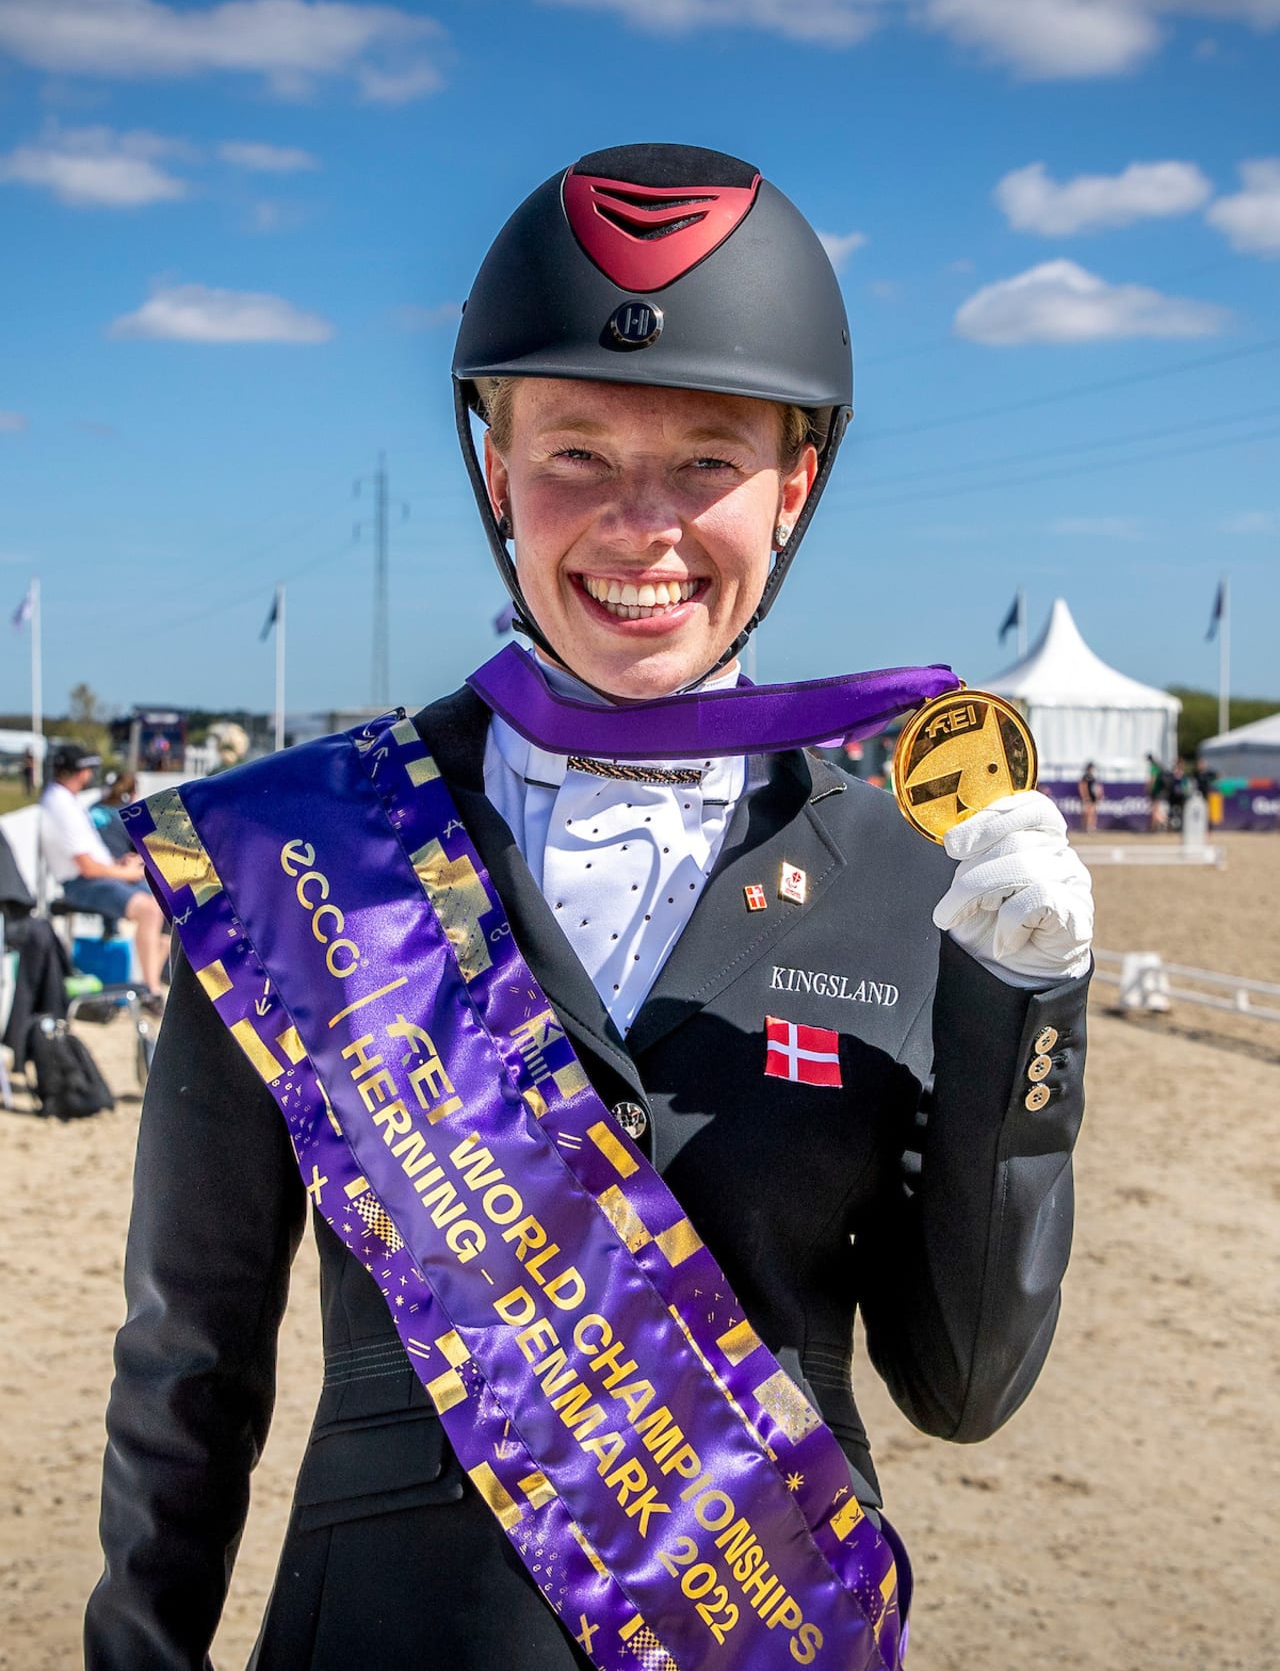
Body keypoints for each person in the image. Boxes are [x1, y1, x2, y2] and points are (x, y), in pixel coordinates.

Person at [86, 144, 1093, 1671]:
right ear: (496, 470)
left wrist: (1032, 1006)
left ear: (794, 486)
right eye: (574, 454)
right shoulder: (301, 852)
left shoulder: (907, 872)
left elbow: (962, 1385)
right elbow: (190, 1359)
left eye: (706, 460)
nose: (642, 527)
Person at [39, 744, 165, 1005]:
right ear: (81, 772)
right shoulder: (60, 804)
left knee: (166, 900)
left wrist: (121, 865)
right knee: (150, 910)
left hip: (96, 878)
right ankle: (151, 989)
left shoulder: (63, 799)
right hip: (83, 884)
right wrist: (124, 872)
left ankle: (153, 981)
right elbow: (86, 867)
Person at [89, 770, 139, 860]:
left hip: (90, 865)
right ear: (133, 792)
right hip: (117, 868)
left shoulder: (92, 808)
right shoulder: (132, 815)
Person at [1077, 761, 1104, 832]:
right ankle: (1087, 828)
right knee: (1087, 813)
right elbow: (1082, 787)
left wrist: (1098, 796)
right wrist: (1085, 797)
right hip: (1088, 798)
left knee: (1093, 813)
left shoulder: (1093, 777)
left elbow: (1097, 788)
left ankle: (1092, 827)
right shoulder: (1085, 777)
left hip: (1093, 798)